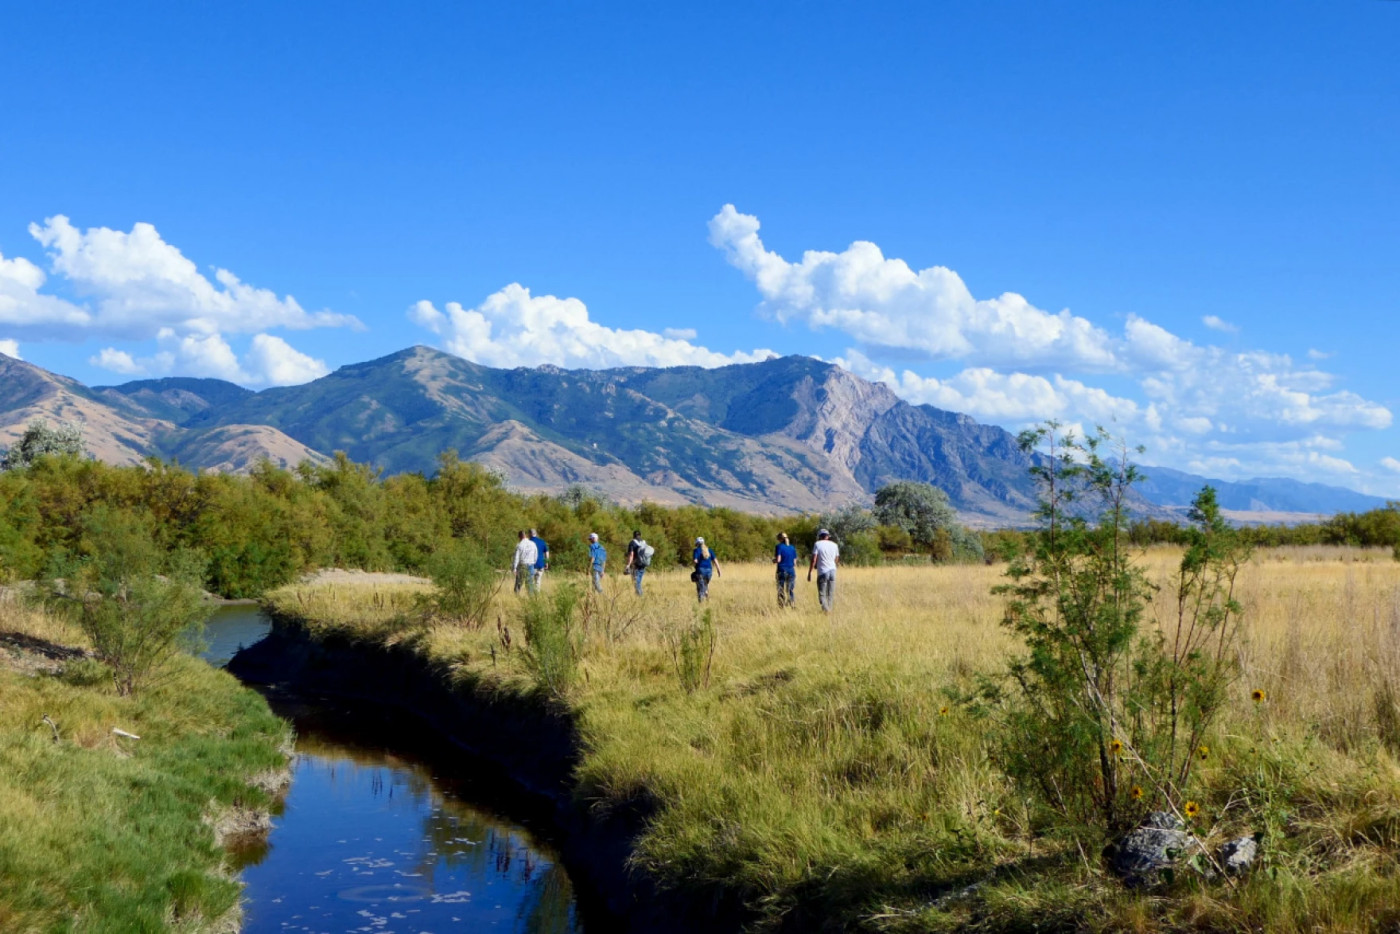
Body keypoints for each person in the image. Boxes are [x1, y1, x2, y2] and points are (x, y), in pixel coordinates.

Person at [807, 528, 840, 612]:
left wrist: (810, 572)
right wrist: (833, 565)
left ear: (820, 536)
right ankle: (829, 609)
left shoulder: (817, 544)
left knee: (822, 594)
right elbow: (836, 559)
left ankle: (826, 610)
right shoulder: (834, 545)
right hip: (832, 570)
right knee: (830, 594)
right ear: (828, 536)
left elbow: (814, 559)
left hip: (822, 571)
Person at [691, 536, 721, 602]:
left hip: (700, 571)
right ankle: (706, 593)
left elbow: (695, 561)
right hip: (709, 571)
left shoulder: (696, 550)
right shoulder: (709, 550)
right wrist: (719, 571)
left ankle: (701, 604)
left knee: (700, 588)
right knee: (705, 584)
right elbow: (715, 560)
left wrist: (694, 565)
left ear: (697, 544)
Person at [773, 531, 797, 607]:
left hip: (782, 570)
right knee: (790, 589)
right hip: (791, 570)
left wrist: (774, 560)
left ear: (780, 539)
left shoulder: (779, 547)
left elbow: (778, 559)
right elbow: (795, 562)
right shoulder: (792, 547)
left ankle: (781, 605)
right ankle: (792, 603)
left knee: (780, 588)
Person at [623, 530, 650, 596]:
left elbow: (631, 554)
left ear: (633, 535)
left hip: (635, 565)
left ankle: (640, 596)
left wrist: (628, 565)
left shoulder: (632, 543)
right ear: (640, 535)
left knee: (636, 582)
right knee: (639, 582)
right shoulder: (644, 542)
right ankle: (639, 596)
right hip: (643, 564)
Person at [512, 530, 539, 595]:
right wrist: (533, 562)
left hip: (522, 565)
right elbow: (536, 555)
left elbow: (516, 558)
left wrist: (514, 568)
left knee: (519, 582)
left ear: (519, 537)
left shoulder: (519, 545)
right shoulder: (533, 544)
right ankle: (531, 598)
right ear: (525, 535)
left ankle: (516, 595)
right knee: (529, 583)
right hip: (531, 565)